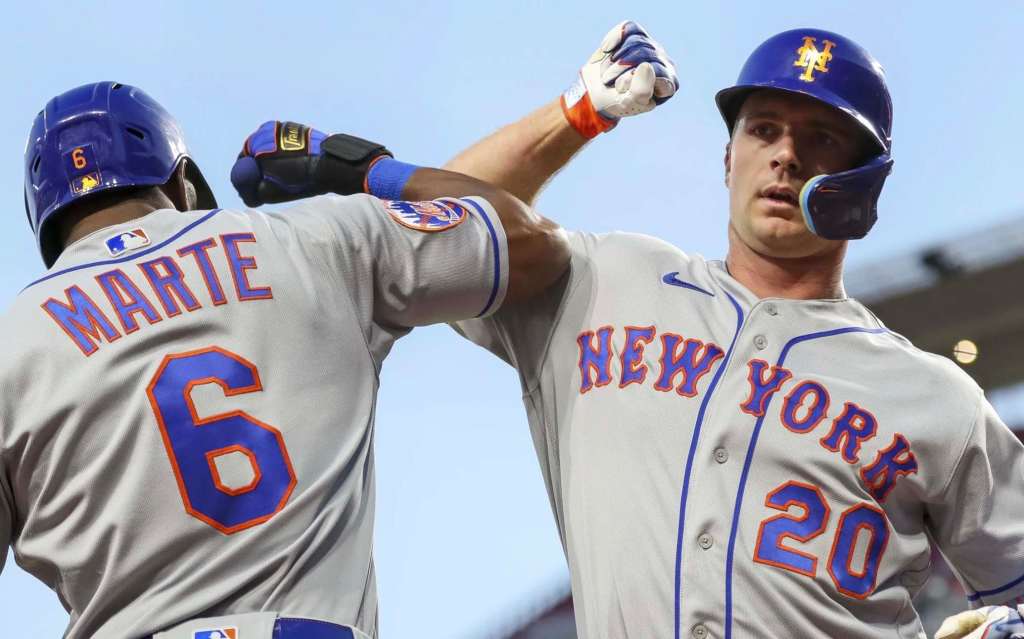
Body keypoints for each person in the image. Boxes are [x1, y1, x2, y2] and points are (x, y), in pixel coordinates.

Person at [251, 22, 1024, 639]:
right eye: (764, 130)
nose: (786, 156)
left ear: (865, 183)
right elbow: (449, 232)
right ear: (728, 157)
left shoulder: (934, 398)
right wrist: (576, 114)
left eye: (821, 137)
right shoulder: (607, 280)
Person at [4, 81, 570, 638]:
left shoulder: (15, 343)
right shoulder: (309, 240)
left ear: (48, 224)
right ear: (181, 183)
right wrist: (361, 168)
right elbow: (532, 243)